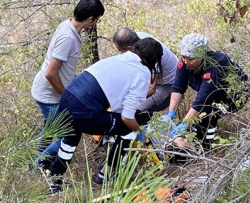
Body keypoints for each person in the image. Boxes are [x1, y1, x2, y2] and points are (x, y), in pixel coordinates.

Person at [44, 38, 164, 194]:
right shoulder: (142, 73)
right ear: (155, 59)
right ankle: (106, 174)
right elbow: (127, 118)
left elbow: (117, 102)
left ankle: (55, 181)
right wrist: (139, 131)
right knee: (128, 131)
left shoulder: (119, 59)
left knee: (70, 141)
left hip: (67, 100)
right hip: (84, 111)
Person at [31, 0, 104, 167]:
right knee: (69, 134)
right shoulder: (68, 38)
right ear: (89, 18)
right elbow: (51, 72)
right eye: (96, 20)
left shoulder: (69, 27)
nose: (95, 23)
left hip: (46, 91)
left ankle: (33, 162)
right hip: (49, 95)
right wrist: (65, 96)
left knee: (49, 130)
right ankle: (37, 166)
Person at [166, 33, 249, 151]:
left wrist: (185, 123)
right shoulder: (185, 61)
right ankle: (193, 139)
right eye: (183, 57)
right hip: (213, 92)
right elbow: (178, 87)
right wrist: (171, 112)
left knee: (205, 115)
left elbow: (202, 101)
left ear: (203, 55)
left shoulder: (216, 65)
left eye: (190, 59)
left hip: (234, 97)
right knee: (196, 117)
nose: (185, 61)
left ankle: (204, 147)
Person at [112, 27, 179, 115]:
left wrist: (127, 102)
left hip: (168, 84)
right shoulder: (138, 38)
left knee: (135, 111)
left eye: (121, 51)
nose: (121, 54)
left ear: (129, 48)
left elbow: (151, 89)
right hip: (153, 78)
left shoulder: (151, 54)